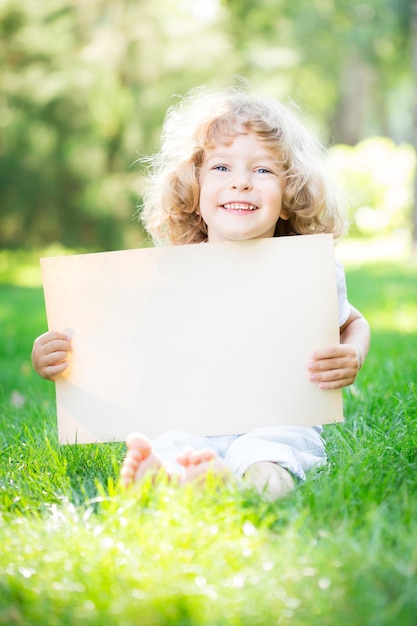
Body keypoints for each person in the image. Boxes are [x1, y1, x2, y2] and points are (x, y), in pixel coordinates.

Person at [32, 85, 370, 500]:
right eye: (221, 168)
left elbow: (353, 321)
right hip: (189, 414)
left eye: (263, 171)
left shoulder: (308, 273)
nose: (241, 183)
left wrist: (353, 353)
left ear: (288, 196)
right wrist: (53, 359)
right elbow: (116, 346)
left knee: (270, 453)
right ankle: (174, 475)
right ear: (193, 189)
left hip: (281, 414)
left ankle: (255, 485)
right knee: (173, 442)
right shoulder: (166, 275)